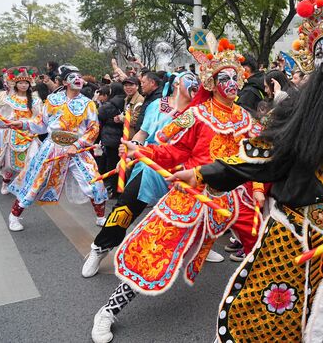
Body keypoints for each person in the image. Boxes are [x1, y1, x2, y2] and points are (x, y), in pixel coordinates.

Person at [171, 0, 323, 342]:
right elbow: (259, 159)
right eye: (319, 54)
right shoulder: (292, 111)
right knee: (265, 319)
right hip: (291, 232)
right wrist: (203, 173)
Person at [90, 39, 264, 343]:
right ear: (211, 82)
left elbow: (257, 155)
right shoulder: (196, 116)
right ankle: (108, 310)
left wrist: (259, 188)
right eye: (225, 78)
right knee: (155, 248)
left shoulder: (246, 118)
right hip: (193, 195)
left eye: (235, 77)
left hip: (236, 197)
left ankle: (263, 317)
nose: (232, 83)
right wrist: (140, 150)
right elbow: (171, 152)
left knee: (264, 251)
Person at [82, 71, 200, 278]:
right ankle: (100, 248)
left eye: (197, 80)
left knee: (195, 213)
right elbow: (143, 133)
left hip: (186, 170)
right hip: (152, 164)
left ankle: (198, 248)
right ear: (175, 84)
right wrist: (133, 147)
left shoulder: (200, 112)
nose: (195, 83)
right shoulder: (158, 106)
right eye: (188, 79)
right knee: (126, 208)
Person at [7, 65, 107, 231]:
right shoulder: (52, 100)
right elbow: (41, 123)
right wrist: (23, 124)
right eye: (73, 77)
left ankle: (101, 217)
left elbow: (93, 128)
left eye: (79, 77)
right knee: (34, 181)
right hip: (52, 148)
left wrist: (77, 145)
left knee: (94, 181)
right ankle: (14, 215)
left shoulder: (88, 104)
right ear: (65, 82)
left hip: (77, 151)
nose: (78, 79)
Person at [0, 67, 43, 195]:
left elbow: (39, 118)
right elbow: (1, 117)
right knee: (9, 164)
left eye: (26, 83)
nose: (24, 85)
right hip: (12, 135)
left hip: (29, 134)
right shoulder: (8, 99)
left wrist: (32, 126)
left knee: (31, 159)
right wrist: (7, 122)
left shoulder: (35, 100)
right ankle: (6, 183)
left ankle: (25, 186)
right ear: (15, 84)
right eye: (21, 83)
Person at [97, 82, 126, 198]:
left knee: (112, 166)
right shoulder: (125, 100)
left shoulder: (112, 103)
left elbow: (99, 114)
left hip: (111, 138)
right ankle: (117, 188)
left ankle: (115, 191)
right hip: (119, 136)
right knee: (118, 164)